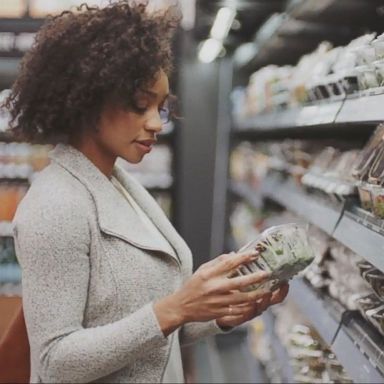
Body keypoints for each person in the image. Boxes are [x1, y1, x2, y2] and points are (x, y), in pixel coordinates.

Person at [4, 2, 289, 383]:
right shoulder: (56, 206)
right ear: (88, 101)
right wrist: (175, 307)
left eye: (161, 106)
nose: (156, 123)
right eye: (140, 106)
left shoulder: (120, 183)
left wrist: (216, 313)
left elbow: (145, 328)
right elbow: (56, 361)